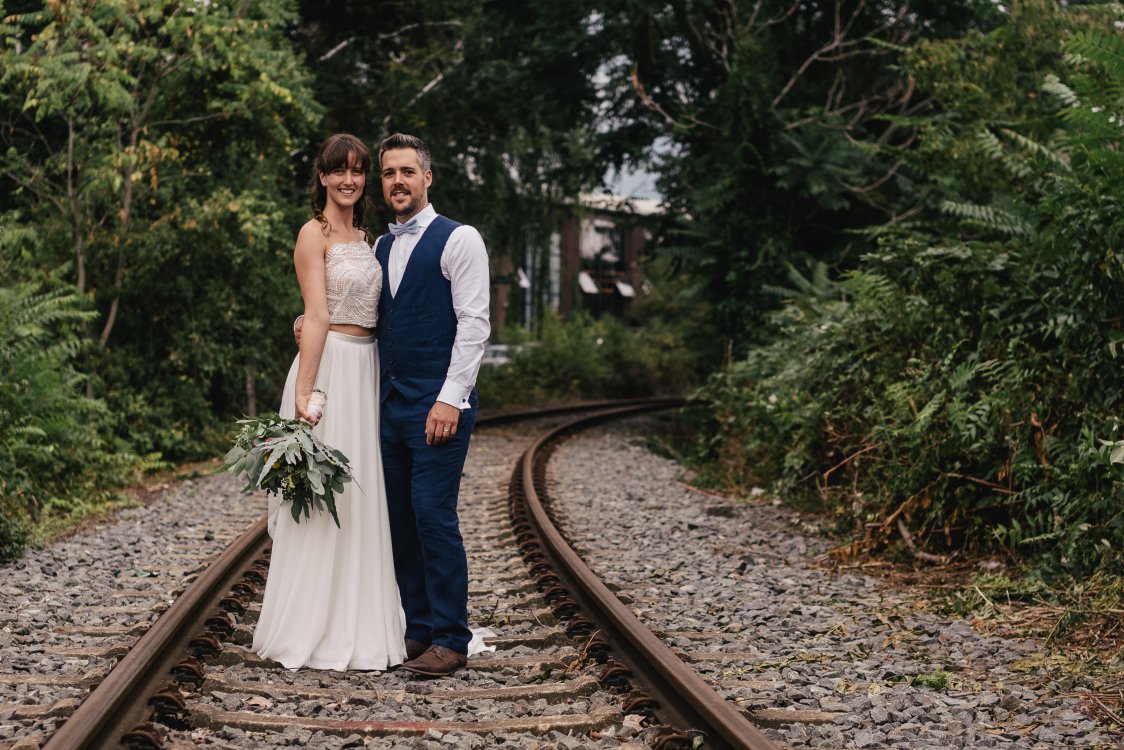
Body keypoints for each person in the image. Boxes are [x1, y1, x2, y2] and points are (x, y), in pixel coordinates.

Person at [253, 133, 406, 671]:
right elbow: (315, 314)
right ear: (322, 177)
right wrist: (305, 392)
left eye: (359, 171)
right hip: (332, 368)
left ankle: (363, 618)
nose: (349, 180)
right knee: (324, 500)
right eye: (339, 171)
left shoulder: (367, 238)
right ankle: (311, 624)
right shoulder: (312, 235)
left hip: (367, 369)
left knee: (364, 497)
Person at [374, 133, 491, 676]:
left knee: (432, 515)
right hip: (392, 406)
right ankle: (419, 629)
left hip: (439, 404)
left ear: (427, 177)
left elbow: (474, 326)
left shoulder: (460, 239)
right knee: (399, 520)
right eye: (389, 173)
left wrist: (450, 399)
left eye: (407, 172)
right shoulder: (379, 245)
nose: (397, 181)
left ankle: (451, 637)